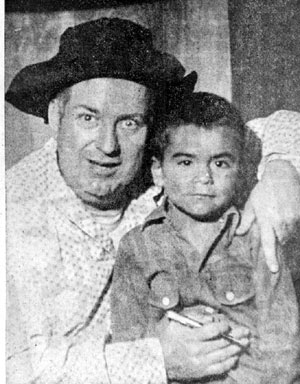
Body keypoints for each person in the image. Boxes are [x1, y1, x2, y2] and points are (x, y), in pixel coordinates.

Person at [5, 17, 300, 384]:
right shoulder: (10, 210)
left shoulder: (161, 167)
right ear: (55, 115)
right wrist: (155, 360)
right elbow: (13, 370)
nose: (107, 145)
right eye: (87, 117)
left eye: (129, 123)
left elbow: (280, 127)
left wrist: (281, 171)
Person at [111, 92, 300, 383]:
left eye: (220, 163)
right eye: (186, 163)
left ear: (240, 170)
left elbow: (284, 348)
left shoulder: (256, 236)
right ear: (158, 171)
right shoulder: (136, 247)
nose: (204, 177)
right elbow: (130, 348)